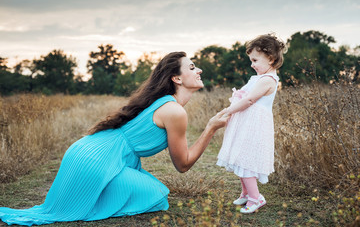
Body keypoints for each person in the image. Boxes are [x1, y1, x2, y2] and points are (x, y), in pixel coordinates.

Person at [0, 51, 230, 226]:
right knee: (158, 195)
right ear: (177, 79)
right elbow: (183, 165)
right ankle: (93, 197)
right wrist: (210, 128)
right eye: (192, 67)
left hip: (87, 152)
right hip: (97, 160)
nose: (199, 69)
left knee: (154, 192)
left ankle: (96, 194)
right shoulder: (174, 111)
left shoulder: (163, 102)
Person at [217, 34, 286, 214]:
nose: (252, 64)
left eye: (255, 60)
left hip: (254, 125)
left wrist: (228, 111)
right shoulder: (258, 78)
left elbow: (248, 100)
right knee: (240, 157)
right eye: (251, 60)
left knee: (246, 160)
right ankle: (246, 193)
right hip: (246, 122)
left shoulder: (267, 80)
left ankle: (256, 198)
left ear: (271, 59)